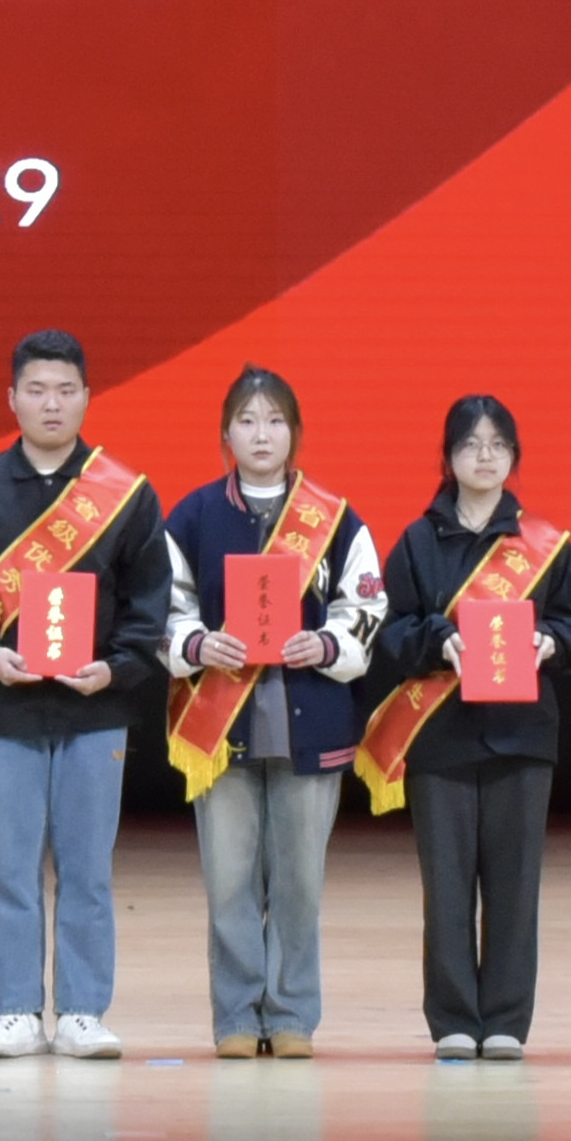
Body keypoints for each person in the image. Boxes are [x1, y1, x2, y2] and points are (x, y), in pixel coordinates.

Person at [0, 330, 171, 1061]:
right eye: (36, 390)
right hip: (4, 708)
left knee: (87, 871)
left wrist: (116, 669)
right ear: (11, 398)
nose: (50, 403)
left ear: (86, 398)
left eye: (65, 390)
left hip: (95, 709)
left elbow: (148, 605)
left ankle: (81, 1012)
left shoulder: (125, 495)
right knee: (9, 869)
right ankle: (13, 1010)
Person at [160, 365, 383, 1059]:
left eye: (276, 421)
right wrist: (198, 643)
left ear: (295, 432)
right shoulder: (194, 515)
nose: (262, 434)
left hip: (307, 717)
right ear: (225, 433)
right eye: (248, 420)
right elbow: (163, 607)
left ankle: (290, 1016)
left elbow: (367, 605)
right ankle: (234, 1016)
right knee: (228, 880)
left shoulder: (335, 518)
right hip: (220, 724)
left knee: (299, 883)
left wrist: (326, 643)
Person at [358, 395, 571, 1061]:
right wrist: (437, 639)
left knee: (515, 887)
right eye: (470, 444)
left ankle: (507, 1020)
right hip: (441, 735)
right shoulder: (417, 541)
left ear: (514, 456)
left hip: (522, 735)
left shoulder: (542, 544)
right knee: (447, 886)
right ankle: (454, 1018)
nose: (484, 456)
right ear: (448, 456)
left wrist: (551, 641)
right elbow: (391, 630)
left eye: (497, 445)